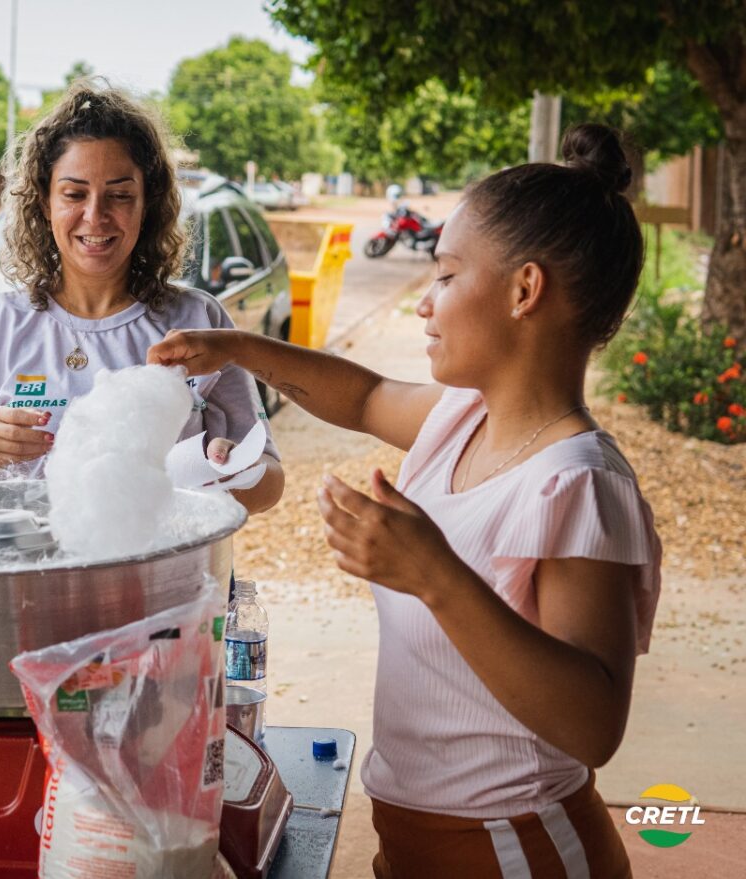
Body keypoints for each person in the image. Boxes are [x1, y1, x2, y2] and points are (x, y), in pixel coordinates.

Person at [149, 123, 661, 877]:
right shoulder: (463, 418)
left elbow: (593, 726)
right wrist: (238, 350)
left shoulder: (579, 483)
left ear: (525, 290)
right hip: (416, 840)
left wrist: (434, 575)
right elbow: (363, 396)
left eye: (446, 275)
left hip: (515, 849)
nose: (426, 303)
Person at [0, 82, 283, 515]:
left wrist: (232, 472)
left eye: (120, 195)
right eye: (74, 194)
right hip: (30, 562)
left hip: (172, 561)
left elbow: (270, 481)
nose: (95, 216)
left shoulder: (198, 320)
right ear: (44, 202)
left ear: (147, 204)